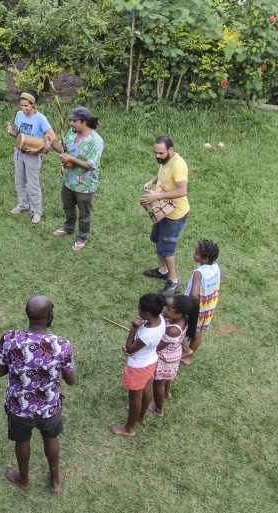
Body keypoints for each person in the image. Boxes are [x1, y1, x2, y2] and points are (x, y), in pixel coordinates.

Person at [0, 296, 76, 493]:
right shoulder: (61, 345)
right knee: (51, 438)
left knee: (22, 441)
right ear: (49, 317)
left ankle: (23, 479)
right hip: (50, 406)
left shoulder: (9, 339)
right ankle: (55, 480)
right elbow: (71, 380)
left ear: (27, 314)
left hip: (19, 406)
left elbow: (0, 371)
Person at [47, 107, 104, 251]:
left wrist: (71, 158)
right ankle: (68, 227)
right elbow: (63, 148)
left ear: (84, 122)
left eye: (74, 121)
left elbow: (91, 166)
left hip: (85, 185)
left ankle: (82, 237)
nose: (71, 123)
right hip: (69, 180)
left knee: (84, 214)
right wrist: (53, 143)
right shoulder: (71, 134)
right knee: (68, 207)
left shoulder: (96, 141)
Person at [109, 293, 165, 436]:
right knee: (146, 390)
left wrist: (133, 328)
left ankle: (129, 428)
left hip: (139, 367)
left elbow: (129, 348)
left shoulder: (146, 334)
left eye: (139, 309)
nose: (138, 311)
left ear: (146, 313)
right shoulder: (161, 320)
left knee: (134, 399)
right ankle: (141, 417)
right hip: (150, 361)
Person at [141, 136, 190, 295]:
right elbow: (163, 174)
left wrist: (157, 196)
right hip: (163, 209)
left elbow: (182, 191)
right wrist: (152, 181)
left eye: (161, 153)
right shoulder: (165, 161)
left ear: (171, 150)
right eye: (155, 153)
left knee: (167, 249)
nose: (157, 156)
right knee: (156, 239)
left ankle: (174, 281)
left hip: (174, 214)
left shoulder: (178, 165)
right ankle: (162, 271)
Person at [6, 91, 56, 223]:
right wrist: (11, 131)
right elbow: (19, 135)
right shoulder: (19, 115)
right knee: (19, 181)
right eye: (21, 105)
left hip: (32, 155)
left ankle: (37, 211)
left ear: (33, 104)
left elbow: (52, 136)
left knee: (33, 185)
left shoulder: (40, 118)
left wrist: (44, 142)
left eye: (26, 106)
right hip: (19, 152)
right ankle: (23, 204)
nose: (23, 108)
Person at [149, 295, 198, 417]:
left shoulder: (173, 330)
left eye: (168, 309)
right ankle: (167, 392)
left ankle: (158, 409)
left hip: (165, 358)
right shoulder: (184, 319)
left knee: (158, 383)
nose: (164, 310)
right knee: (167, 377)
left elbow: (158, 347)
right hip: (174, 354)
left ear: (178, 315)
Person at [181, 239, 222, 364]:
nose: (194, 253)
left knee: (179, 327)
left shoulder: (198, 273)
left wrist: (186, 306)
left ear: (205, 259)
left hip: (194, 307)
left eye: (197, 253)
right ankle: (188, 356)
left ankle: (186, 350)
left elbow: (194, 294)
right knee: (197, 332)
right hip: (208, 306)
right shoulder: (215, 266)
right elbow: (221, 277)